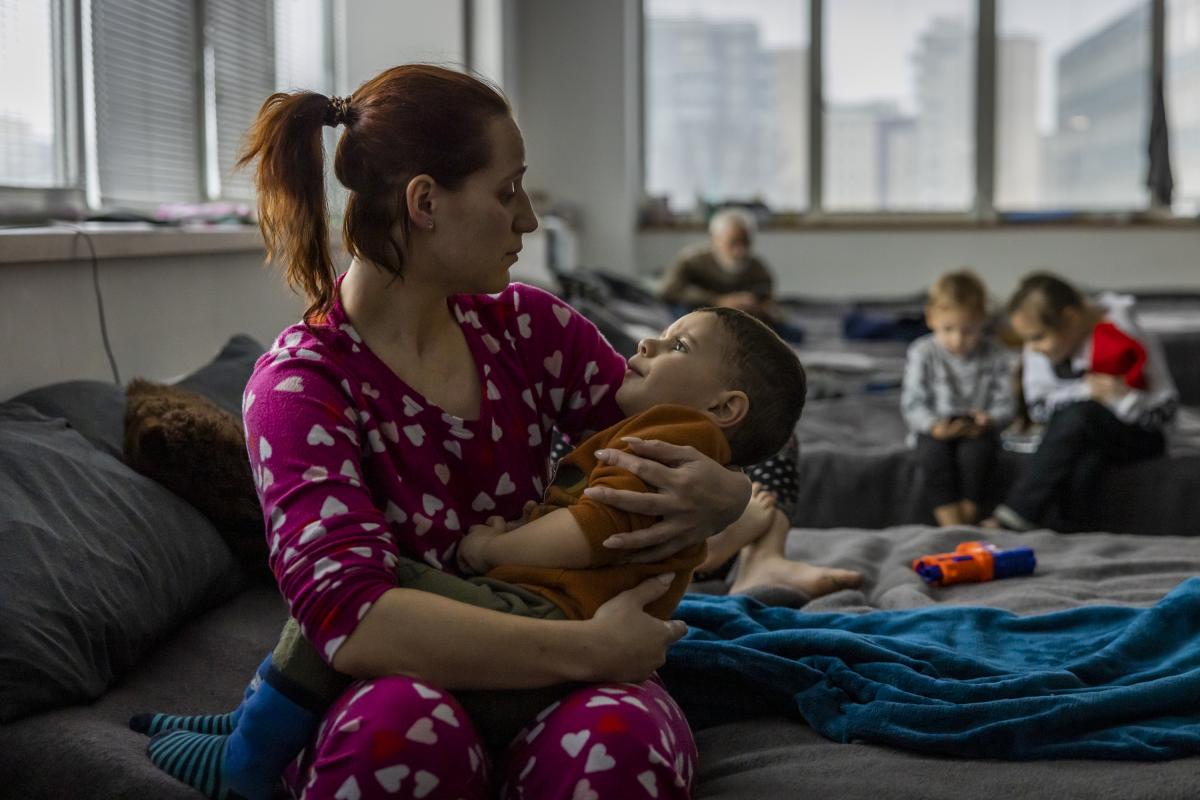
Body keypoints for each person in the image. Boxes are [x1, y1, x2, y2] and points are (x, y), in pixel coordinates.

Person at [131, 64, 759, 800]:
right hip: (405, 681)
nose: (526, 219)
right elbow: (352, 623)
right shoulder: (298, 388)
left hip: (564, 679)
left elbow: (679, 427)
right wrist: (588, 649)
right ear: (425, 202)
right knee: (397, 738)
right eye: (507, 191)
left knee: (624, 746)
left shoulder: (529, 327)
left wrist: (728, 493)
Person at [987, 272, 1178, 531]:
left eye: (1038, 337)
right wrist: (1086, 390)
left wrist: (1121, 397)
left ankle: (1017, 513)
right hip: (1084, 438)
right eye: (1026, 339)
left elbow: (1164, 414)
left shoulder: (1126, 335)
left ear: (1070, 318)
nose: (1032, 348)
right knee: (1085, 459)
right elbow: (1040, 411)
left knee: (1082, 415)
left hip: (1139, 434)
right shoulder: (1038, 352)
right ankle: (1070, 537)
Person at [901, 270, 1015, 526]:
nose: (958, 339)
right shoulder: (922, 352)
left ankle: (968, 516)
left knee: (976, 457)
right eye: (948, 329)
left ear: (983, 322)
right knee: (932, 456)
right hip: (934, 430)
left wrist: (990, 419)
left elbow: (1007, 404)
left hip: (978, 432)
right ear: (931, 319)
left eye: (968, 330)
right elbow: (912, 403)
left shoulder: (995, 353)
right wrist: (933, 425)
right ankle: (953, 524)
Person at [659, 208, 778, 322]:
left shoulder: (757, 267)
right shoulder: (691, 261)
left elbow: (767, 296)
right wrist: (718, 301)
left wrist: (757, 305)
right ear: (715, 240)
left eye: (746, 243)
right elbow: (669, 291)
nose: (741, 251)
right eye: (733, 243)